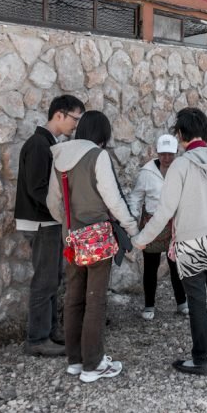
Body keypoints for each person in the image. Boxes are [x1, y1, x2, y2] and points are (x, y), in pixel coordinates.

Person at [132, 107, 207, 376]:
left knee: (196, 300)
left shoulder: (181, 165)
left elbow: (164, 211)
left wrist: (142, 239)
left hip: (191, 241)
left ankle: (200, 358)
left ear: (181, 134)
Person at [46, 111, 140, 382]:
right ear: (103, 134)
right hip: (97, 238)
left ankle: (74, 360)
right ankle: (93, 364)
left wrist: (67, 225)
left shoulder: (59, 157)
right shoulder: (97, 156)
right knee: (95, 300)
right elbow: (113, 199)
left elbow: (53, 202)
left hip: (71, 239)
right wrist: (132, 229)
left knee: (73, 298)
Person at [14, 94, 85, 357]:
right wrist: (62, 212)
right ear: (60, 115)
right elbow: (37, 189)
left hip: (47, 221)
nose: (75, 125)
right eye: (74, 119)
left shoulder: (46, 144)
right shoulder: (38, 145)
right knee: (45, 280)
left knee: (53, 277)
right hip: (42, 222)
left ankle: (50, 331)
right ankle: (37, 338)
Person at [125, 134, 188, 321]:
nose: (166, 158)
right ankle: (149, 304)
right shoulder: (147, 173)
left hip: (175, 224)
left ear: (176, 153)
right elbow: (136, 197)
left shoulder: (181, 170)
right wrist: (134, 221)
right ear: (157, 153)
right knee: (150, 266)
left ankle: (182, 301)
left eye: (170, 154)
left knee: (176, 265)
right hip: (152, 223)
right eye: (163, 154)